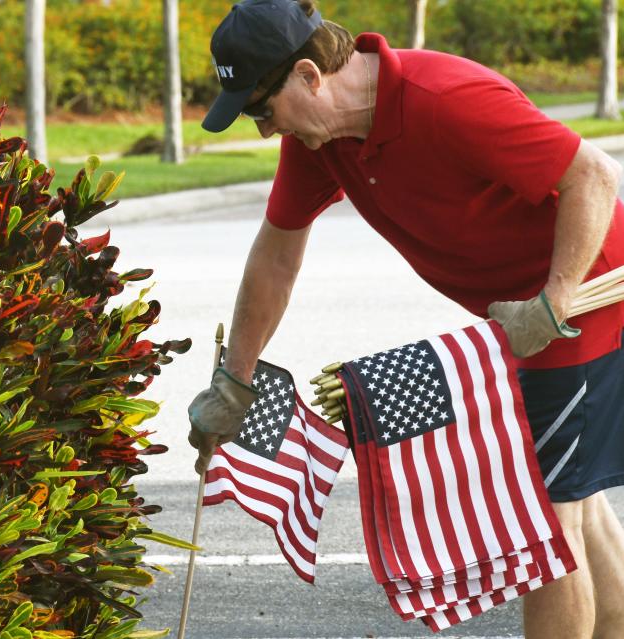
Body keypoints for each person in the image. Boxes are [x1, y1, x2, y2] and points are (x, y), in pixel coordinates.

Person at [186, 1, 624, 637]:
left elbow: (591, 174)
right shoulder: (323, 139)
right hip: (523, 317)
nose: (262, 130)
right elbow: (276, 256)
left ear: (309, 76)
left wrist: (554, 303)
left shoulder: (442, 98)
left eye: (260, 109)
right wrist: (236, 381)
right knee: (573, 503)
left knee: (545, 523)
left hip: (585, 297)